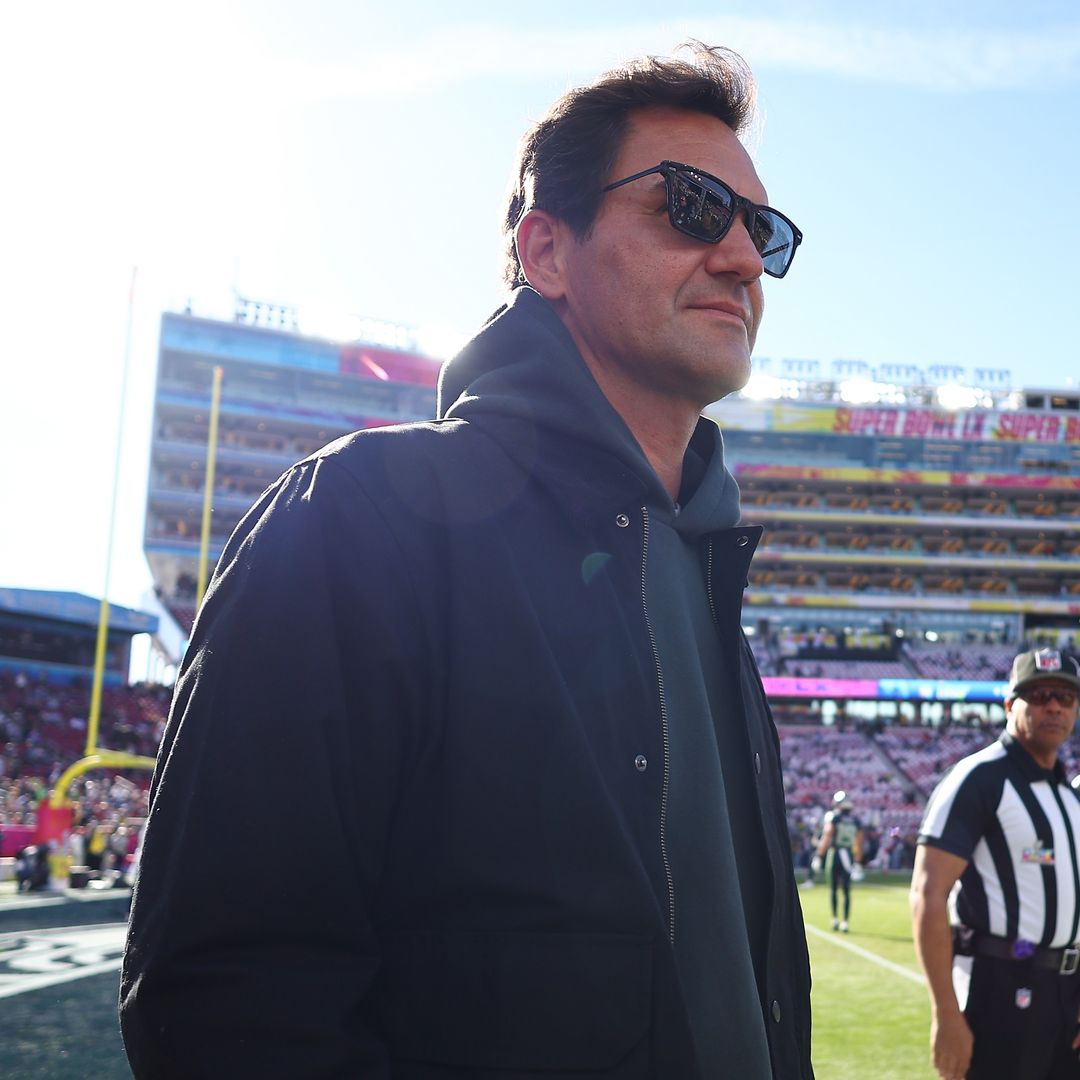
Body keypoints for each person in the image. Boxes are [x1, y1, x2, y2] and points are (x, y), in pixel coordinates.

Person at [120, 41, 812, 1079]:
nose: (743, 258)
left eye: (764, 229)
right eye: (690, 206)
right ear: (545, 253)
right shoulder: (358, 517)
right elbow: (228, 998)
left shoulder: (709, 576)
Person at [911, 648, 1080, 1080]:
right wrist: (946, 1014)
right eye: (1040, 694)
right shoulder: (978, 779)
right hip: (1000, 986)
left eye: (1066, 696)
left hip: (1066, 990)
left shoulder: (1067, 796)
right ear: (1010, 704)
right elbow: (928, 897)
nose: (1055, 706)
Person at [811, 790, 864, 932]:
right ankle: (845, 922)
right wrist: (858, 862)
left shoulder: (834, 818)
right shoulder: (856, 821)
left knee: (833, 889)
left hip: (834, 855)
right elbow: (858, 844)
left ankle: (835, 919)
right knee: (846, 891)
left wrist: (818, 856)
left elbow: (827, 837)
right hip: (848, 855)